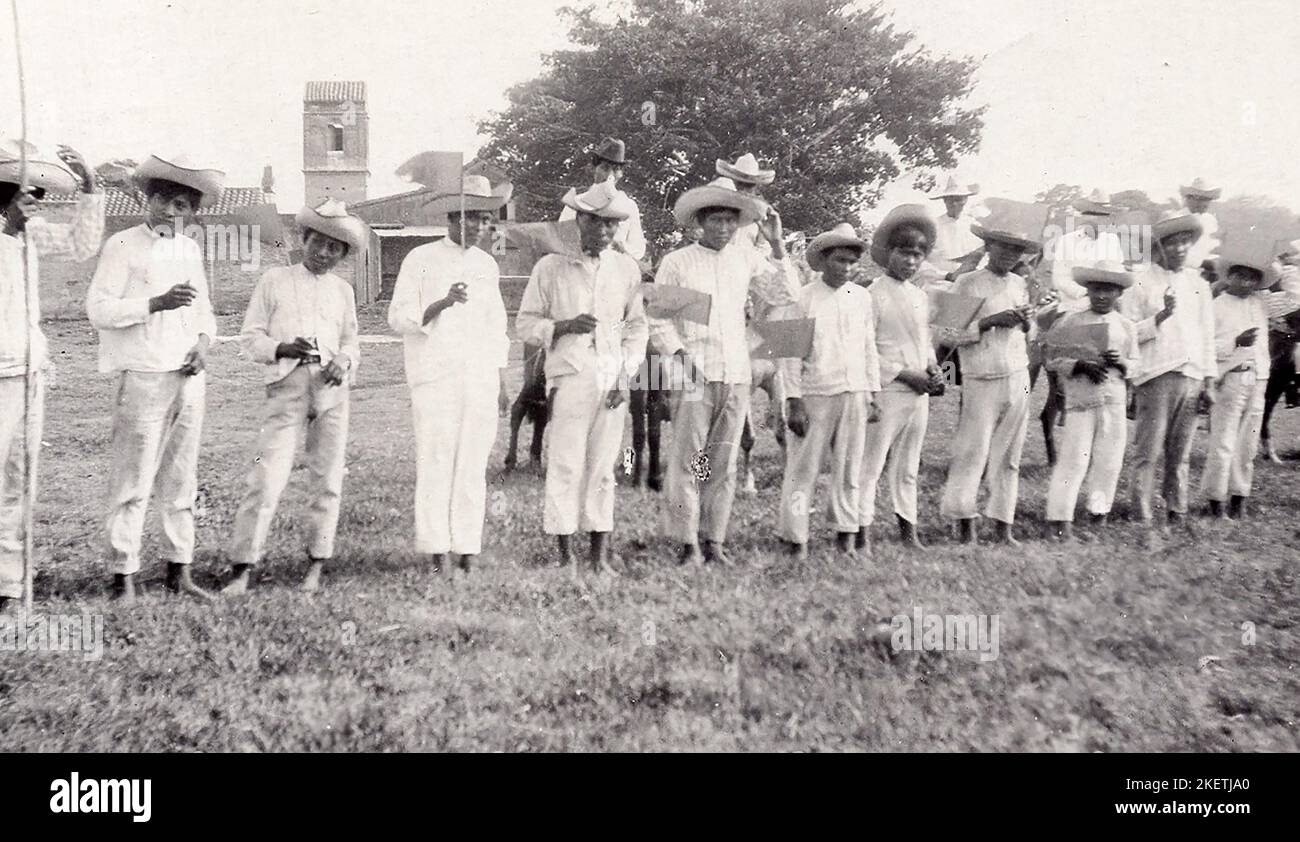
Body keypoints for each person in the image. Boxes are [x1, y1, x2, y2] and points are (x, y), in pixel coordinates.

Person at [87, 154, 224, 603]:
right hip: (145, 373)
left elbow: (204, 311)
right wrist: (154, 304)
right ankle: (121, 576)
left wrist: (202, 346)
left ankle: (178, 570)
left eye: (182, 204)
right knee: (133, 480)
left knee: (181, 477)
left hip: (187, 375)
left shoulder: (189, 249)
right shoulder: (122, 245)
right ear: (148, 198)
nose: (170, 211)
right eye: (164, 199)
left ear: (192, 212)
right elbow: (99, 310)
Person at [648, 177, 799, 566]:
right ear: (700, 221)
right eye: (716, 219)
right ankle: (687, 543)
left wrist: (778, 245)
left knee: (724, 462)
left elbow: (785, 296)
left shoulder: (745, 259)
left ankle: (714, 540)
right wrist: (680, 356)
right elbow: (659, 321)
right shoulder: (678, 262)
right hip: (693, 374)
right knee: (688, 461)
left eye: (731, 220)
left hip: (735, 372)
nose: (724, 228)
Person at [222, 200, 365, 594]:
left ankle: (316, 565)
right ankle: (242, 569)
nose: (323, 253)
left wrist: (343, 361)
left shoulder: (343, 291)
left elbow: (352, 341)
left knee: (327, 477)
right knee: (267, 477)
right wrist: (283, 348)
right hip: (287, 388)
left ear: (343, 254)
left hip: (332, 393)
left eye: (334, 248)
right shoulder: (275, 280)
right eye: (318, 242)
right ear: (305, 239)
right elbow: (250, 337)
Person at [515, 182, 648, 574]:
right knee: (567, 463)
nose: (605, 233)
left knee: (603, 466)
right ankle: (565, 555)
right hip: (568, 374)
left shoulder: (625, 269)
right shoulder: (551, 266)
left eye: (612, 226)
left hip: (611, 376)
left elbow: (636, 326)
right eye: (597, 224)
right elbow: (526, 324)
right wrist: (562, 326)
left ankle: (599, 554)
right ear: (579, 221)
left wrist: (625, 375)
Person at [388, 175, 512, 575]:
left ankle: (467, 549)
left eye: (483, 219)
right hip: (435, 377)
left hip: (479, 378)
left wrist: (501, 380)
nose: (477, 226)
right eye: (469, 217)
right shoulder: (420, 258)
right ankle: (437, 550)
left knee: (473, 464)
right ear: (451, 219)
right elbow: (398, 317)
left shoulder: (486, 265)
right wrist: (441, 303)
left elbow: (496, 326)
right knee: (437, 460)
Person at [0, 141, 104, 613]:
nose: (31, 201)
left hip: (30, 371)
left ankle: (11, 586)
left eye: (36, 193)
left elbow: (82, 246)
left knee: (20, 481)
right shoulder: (9, 233)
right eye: (20, 191)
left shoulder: (31, 233)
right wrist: (7, 229)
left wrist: (89, 188)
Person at [936, 200, 1048, 545]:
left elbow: (1029, 336)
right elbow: (947, 335)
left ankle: (1003, 525)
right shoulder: (968, 282)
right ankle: (965, 524)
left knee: (1010, 456)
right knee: (973, 452)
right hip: (981, 377)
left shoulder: (1018, 285)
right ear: (988, 246)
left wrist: (1028, 321)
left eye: (1017, 249)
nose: (1010, 255)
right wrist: (988, 322)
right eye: (1003, 246)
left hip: (1017, 376)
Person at [777, 223, 880, 560]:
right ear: (823, 260)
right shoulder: (803, 298)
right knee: (802, 471)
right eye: (840, 260)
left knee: (850, 469)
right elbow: (788, 355)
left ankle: (846, 537)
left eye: (852, 261)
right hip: (814, 393)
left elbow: (868, 348)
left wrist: (872, 393)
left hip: (854, 392)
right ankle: (796, 540)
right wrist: (793, 401)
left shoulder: (862, 297)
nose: (847, 268)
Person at [1118, 210, 1216, 545]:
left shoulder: (1199, 285)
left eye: (1184, 242)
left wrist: (1208, 380)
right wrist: (1159, 317)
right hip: (1156, 374)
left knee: (1181, 451)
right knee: (1148, 449)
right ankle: (1141, 511)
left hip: (1191, 375)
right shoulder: (1141, 281)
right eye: (1171, 242)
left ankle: (1177, 508)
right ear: (1158, 246)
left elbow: (1206, 335)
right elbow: (1127, 331)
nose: (1178, 249)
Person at [858, 206, 944, 552]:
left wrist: (934, 368)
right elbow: (865, 350)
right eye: (904, 253)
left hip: (918, 391)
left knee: (909, 465)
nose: (911, 261)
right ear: (888, 254)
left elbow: (923, 344)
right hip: (888, 389)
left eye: (917, 255)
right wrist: (903, 374)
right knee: (871, 463)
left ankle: (909, 532)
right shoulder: (871, 294)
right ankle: (859, 533)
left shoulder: (920, 297)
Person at [1042, 262, 1140, 541]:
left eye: (1108, 291)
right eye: (1096, 289)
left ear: (1119, 293)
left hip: (1113, 400)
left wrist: (1120, 363)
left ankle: (1098, 517)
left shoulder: (1126, 326)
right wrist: (1079, 364)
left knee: (1108, 462)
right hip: (1081, 400)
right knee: (1074, 459)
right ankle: (1059, 521)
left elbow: (1136, 364)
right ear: (1087, 290)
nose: (1101, 296)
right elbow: (1053, 359)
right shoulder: (1071, 321)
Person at [1200, 240, 1274, 519]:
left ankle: (1239, 496)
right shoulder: (1217, 305)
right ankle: (1215, 501)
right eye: (1240, 276)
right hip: (1230, 378)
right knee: (1223, 442)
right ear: (1229, 276)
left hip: (1258, 378)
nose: (1246, 283)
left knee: (1248, 444)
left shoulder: (1260, 305)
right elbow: (1207, 346)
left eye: (1252, 278)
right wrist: (1235, 341)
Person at [558, 137, 646, 262]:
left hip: (614, 272)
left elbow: (638, 249)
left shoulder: (629, 206)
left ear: (621, 174)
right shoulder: (577, 203)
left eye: (615, 170)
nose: (610, 175)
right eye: (605, 168)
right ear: (594, 169)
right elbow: (562, 240)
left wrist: (619, 246)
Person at [928, 176, 983, 281]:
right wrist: (946, 276)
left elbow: (980, 257)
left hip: (970, 280)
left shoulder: (974, 225)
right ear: (944, 201)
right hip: (940, 281)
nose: (953, 204)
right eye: (950, 200)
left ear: (965, 200)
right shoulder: (933, 225)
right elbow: (927, 259)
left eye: (958, 199)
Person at [1180, 177, 1222, 270]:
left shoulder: (1210, 219)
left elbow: (1212, 246)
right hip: (1184, 270)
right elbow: (1175, 254)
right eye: (1199, 199)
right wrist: (1203, 263)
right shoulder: (1178, 219)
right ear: (1188, 198)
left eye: (1207, 199)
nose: (1204, 203)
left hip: (1206, 270)